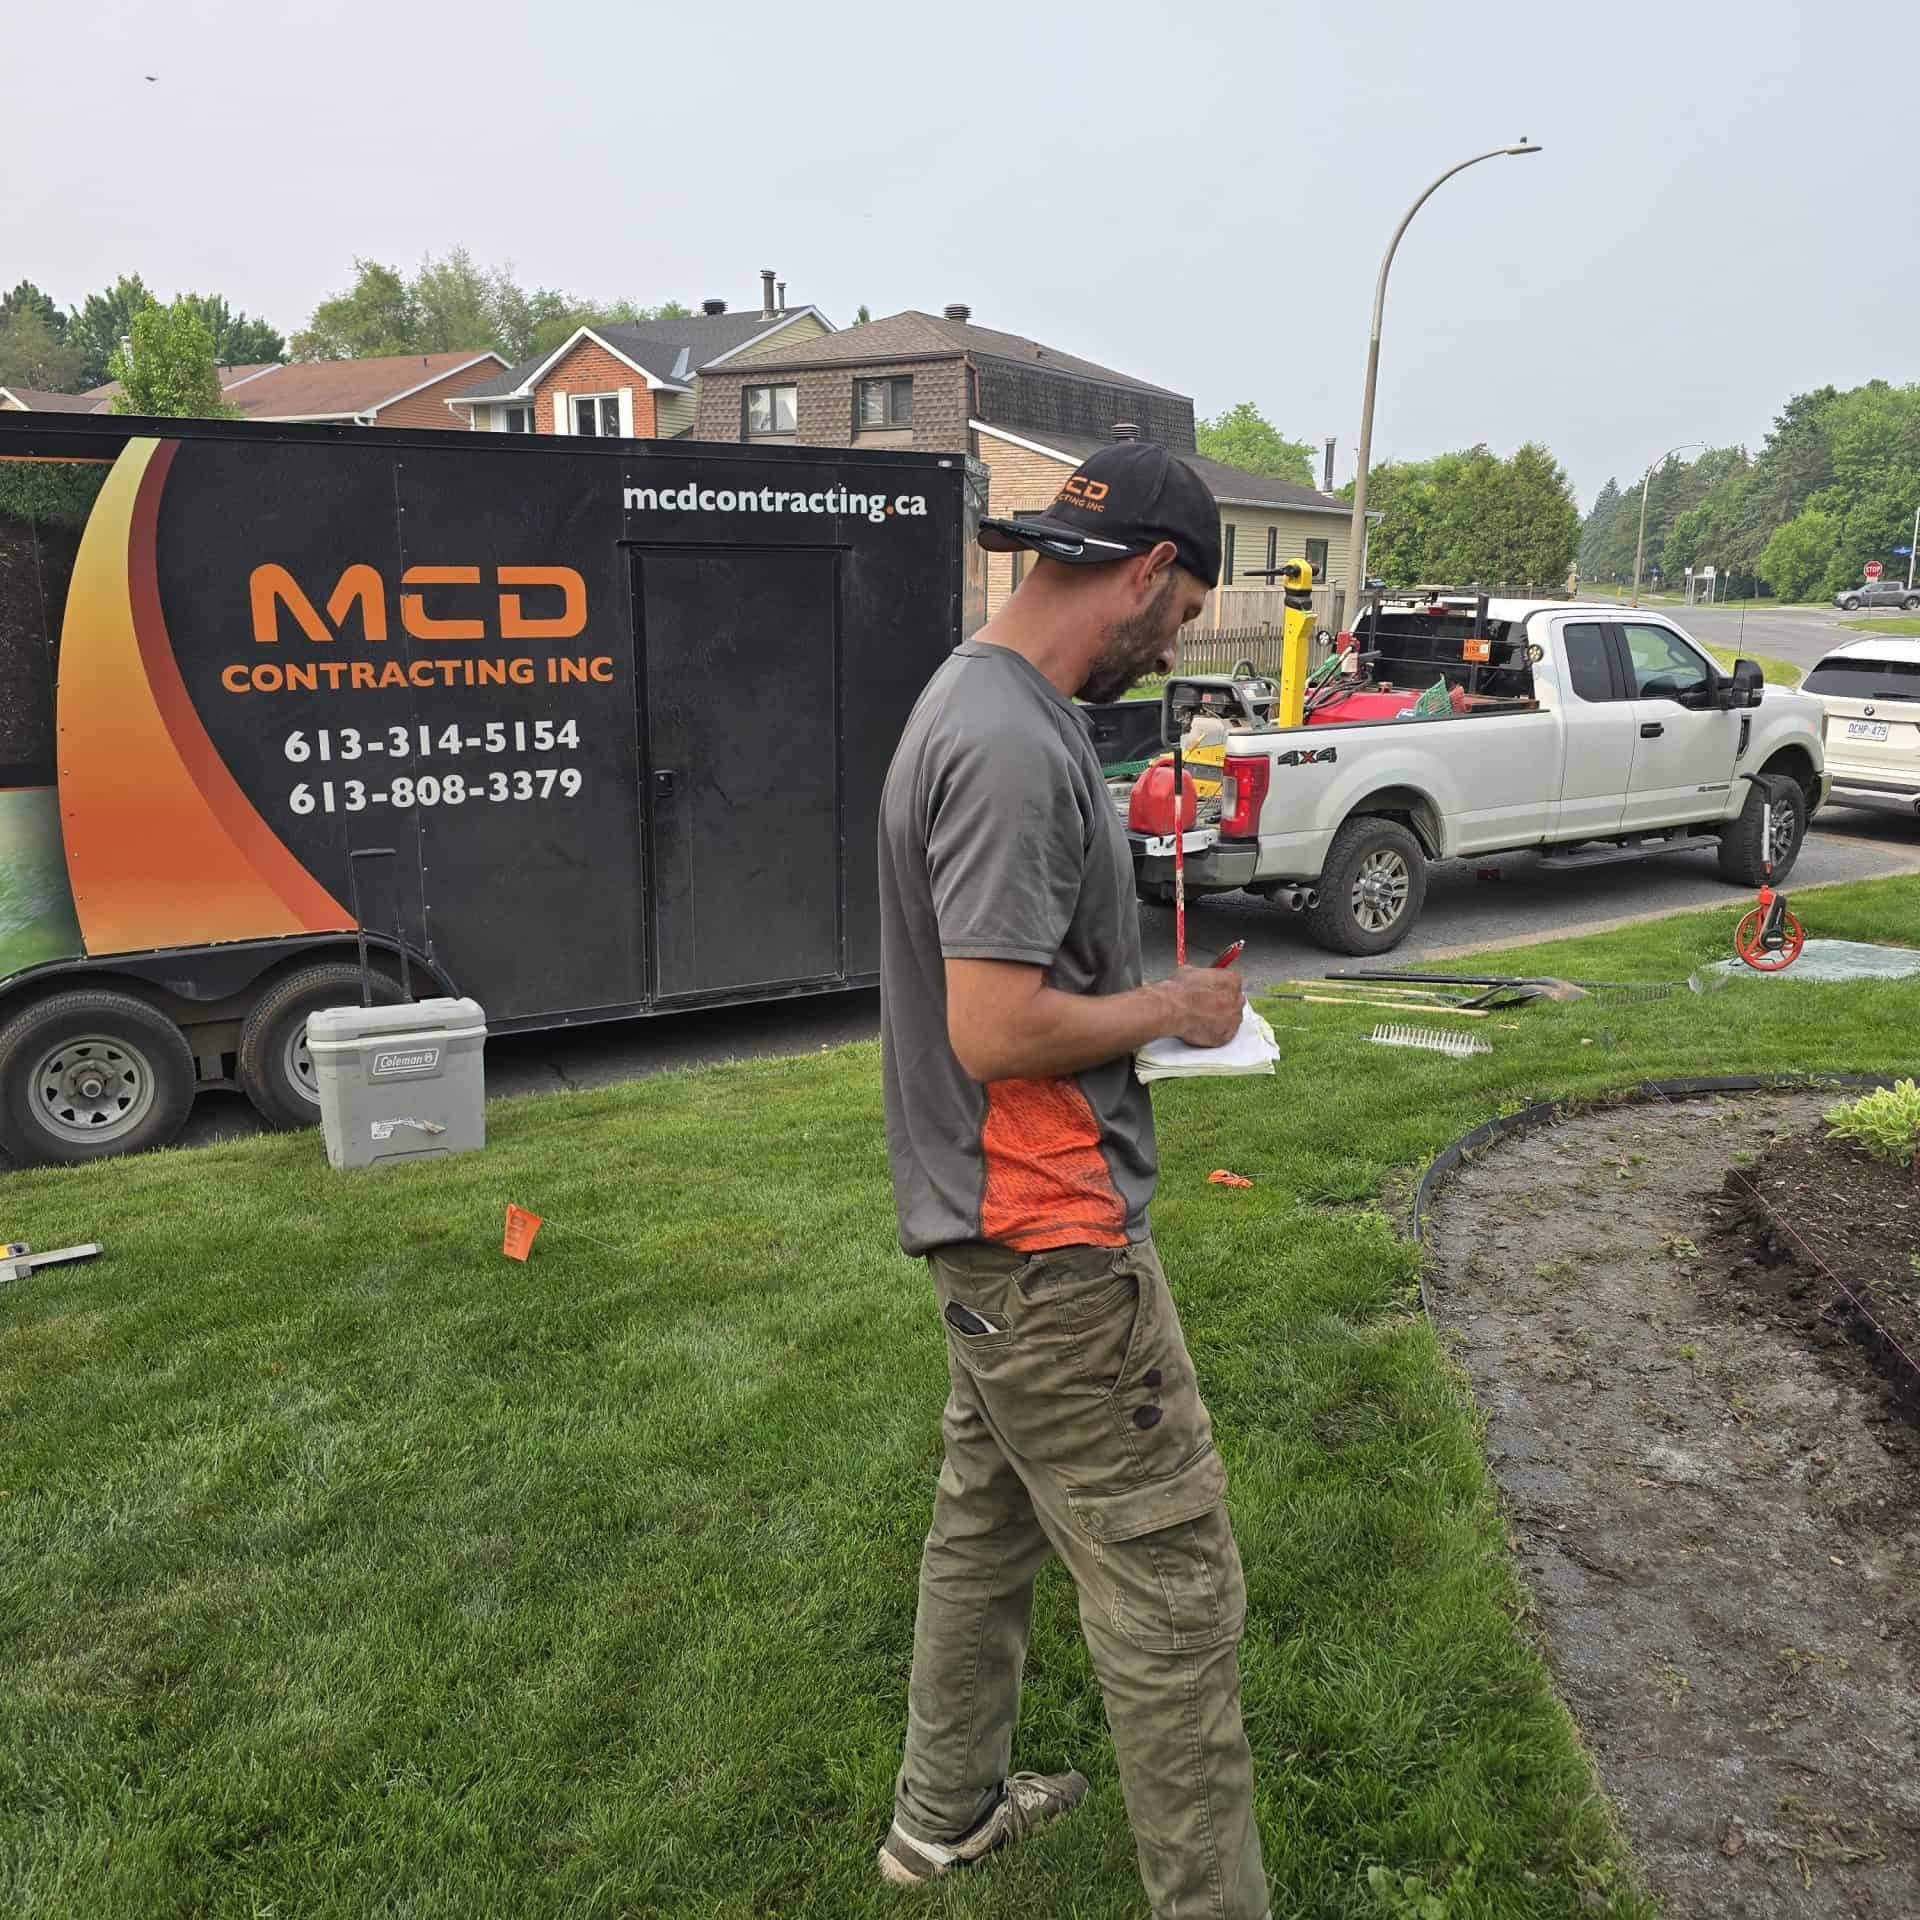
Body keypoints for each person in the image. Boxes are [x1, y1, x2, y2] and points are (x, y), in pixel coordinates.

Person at [874, 441, 1269, 1920]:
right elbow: (995, 1029)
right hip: (1049, 1244)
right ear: (1149, 572)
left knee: (983, 1532)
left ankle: (943, 1820)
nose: (1175, 645)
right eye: (1182, 615)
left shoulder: (973, 695)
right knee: (1176, 1592)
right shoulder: (1018, 744)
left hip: (989, 1238)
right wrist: (1171, 1012)